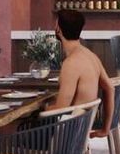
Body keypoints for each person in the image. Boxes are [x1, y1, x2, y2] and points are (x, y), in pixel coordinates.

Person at [47, 9, 115, 138]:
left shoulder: (71, 63)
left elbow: (60, 108)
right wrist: (105, 130)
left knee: (16, 127)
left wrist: (42, 110)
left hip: (66, 134)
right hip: (80, 131)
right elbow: (110, 88)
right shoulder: (91, 56)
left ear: (58, 30)